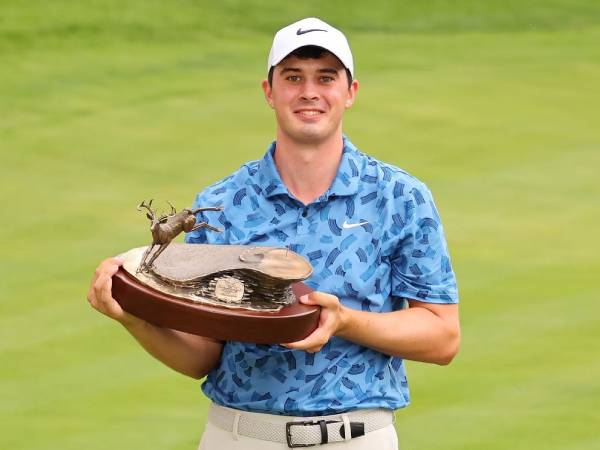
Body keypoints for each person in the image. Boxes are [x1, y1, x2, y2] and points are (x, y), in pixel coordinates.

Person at [87, 17, 460, 449]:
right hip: (240, 436)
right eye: (292, 77)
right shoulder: (222, 204)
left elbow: (442, 337)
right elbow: (202, 356)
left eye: (326, 77)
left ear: (351, 91)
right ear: (269, 91)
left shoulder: (399, 197)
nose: (309, 92)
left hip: (357, 438)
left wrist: (343, 322)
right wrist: (134, 319)